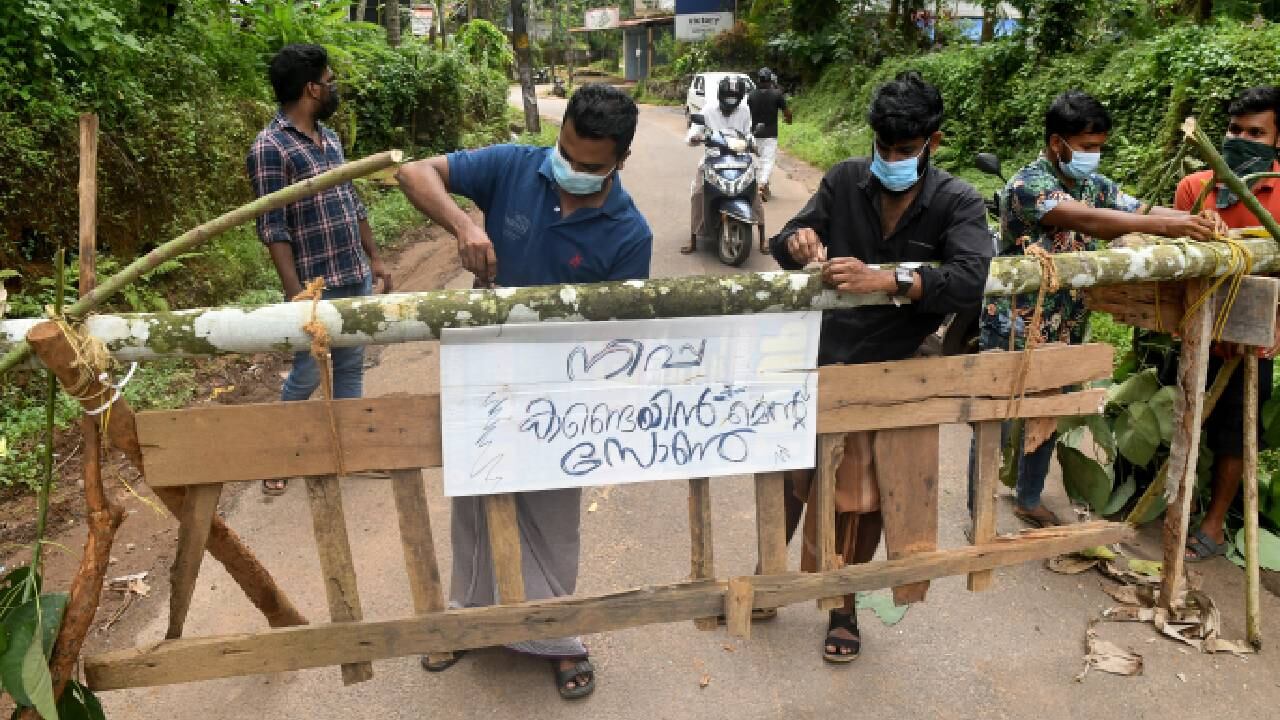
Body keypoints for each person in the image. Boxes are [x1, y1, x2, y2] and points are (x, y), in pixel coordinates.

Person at [396, 83, 651, 699]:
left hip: (563, 387)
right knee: (475, 493)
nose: (574, 170)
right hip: (483, 370)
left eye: (592, 166)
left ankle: (556, 634)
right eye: (567, 153)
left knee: (553, 510)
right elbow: (413, 172)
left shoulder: (630, 234)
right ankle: (469, 618)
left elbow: (620, 338)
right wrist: (463, 225)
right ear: (558, 137)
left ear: (619, 162)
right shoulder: (514, 165)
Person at [768, 71, 993, 662]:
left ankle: (842, 605)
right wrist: (797, 243)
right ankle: (772, 575)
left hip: (891, 368)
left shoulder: (957, 201)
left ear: (932, 144)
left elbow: (971, 278)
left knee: (861, 498)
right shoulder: (845, 180)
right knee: (792, 478)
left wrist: (891, 278)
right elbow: (792, 233)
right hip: (819, 356)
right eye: (883, 148)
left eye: (904, 151)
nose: (891, 160)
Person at [977, 90, 1219, 528]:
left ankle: (1028, 497)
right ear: (1057, 143)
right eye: (1088, 147)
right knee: (997, 412)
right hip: (1015, 322)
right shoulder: (1027, 185)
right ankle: (979, 499)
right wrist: (1168, 224)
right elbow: (1089, 220)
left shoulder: (1094, 185)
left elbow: (1135, 207)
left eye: (1099, 147)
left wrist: (1196, 220)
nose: (1095, 155)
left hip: (1067, 319)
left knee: (1049, 410)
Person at [246, 43, 393, 496]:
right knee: (309, 372)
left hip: (353, 271)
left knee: (351, 364)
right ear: (311, 88)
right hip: (315, 283)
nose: (333, 88)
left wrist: (375, 258)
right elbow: (272, 227)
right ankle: (280, 453)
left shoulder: (329, 138)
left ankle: (350, 451)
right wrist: (297, 296)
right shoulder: (270, 148)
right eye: (329, 81)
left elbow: (352, 199)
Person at [1174, 85, 1280, 561]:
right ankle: (1174, 502)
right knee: (1183, 416)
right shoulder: (1195, 188)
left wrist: (1277, 328)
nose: (1242, 138)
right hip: (1194, 328)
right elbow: (1172, 263)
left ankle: (1214, 524)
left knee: (1238, 432)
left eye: (1256, 132)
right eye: (1235, 130)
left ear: (1277, 140)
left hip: (1252, 338)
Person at [683, 75, 756, 254]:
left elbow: (748, 132)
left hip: (740, 157)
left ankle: (762, 238)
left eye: (735, 99)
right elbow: (694, 130)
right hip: (713, 158)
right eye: (727, 99)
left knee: (756, 193)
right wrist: (694, 137)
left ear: (739, 99)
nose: (730, 105)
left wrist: (753, 142)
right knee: (698, 193)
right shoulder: (708, 109)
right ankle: (694, 237)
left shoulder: (745, 110)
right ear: (720, 96)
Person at [747, 67, 793, 203]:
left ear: (759, 80)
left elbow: (746, 112)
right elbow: (787, 112)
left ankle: (759, 185)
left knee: (756, 161)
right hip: (770, 133)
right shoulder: (777, 94)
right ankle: (761, 185)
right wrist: (788, 120)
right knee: (768, 161)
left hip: (754, 133)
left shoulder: (751, 95)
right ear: (770, 79)